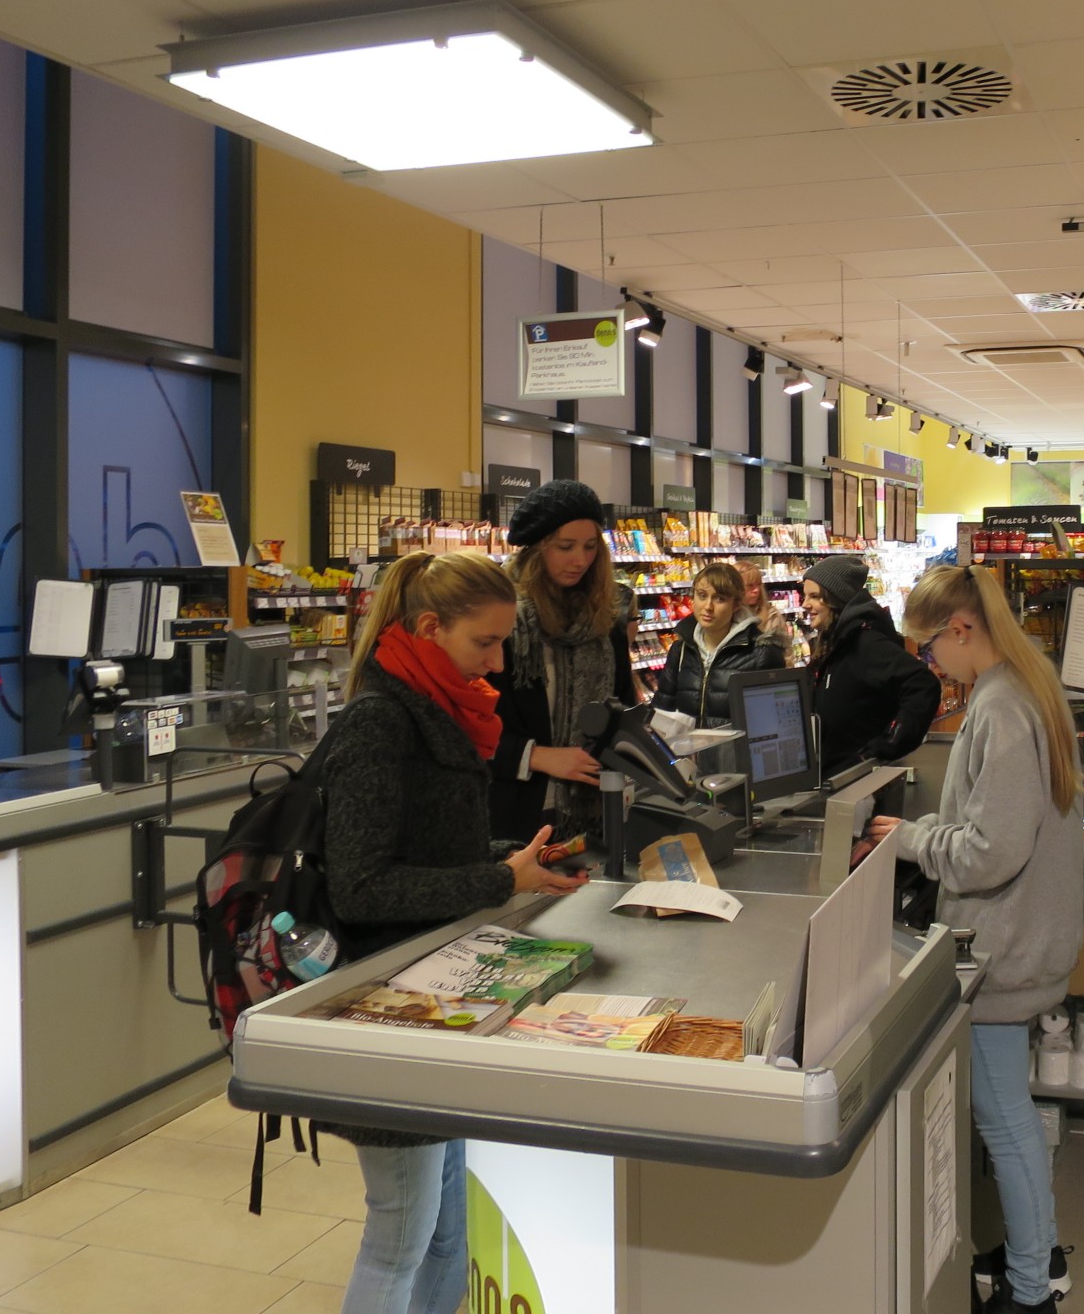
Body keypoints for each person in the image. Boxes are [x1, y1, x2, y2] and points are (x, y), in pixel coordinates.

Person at [322, 550, 588, 1314]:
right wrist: (500, 881)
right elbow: (361, 887)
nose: (499, 663)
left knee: (447, 1231)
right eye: (486, 642)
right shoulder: (380, 722)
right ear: (431, 627)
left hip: (440, 999)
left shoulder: (441, 710)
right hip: (386, 1007)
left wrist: (516, 862)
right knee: (400, 1233)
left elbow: (432, 853)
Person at [865, 564, 1084, 1314]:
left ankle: (1030, 1291)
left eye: (929, 649)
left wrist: (909, 839)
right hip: (1021, 940)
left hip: (999, 950)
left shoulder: (1001, 708)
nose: (930, 665)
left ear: (960, 629)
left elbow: (991, 852)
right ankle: (1038, 1253)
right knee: (1010, 1112)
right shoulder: (1027, 684)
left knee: (1004, 1120)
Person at [489, 480, 637, 843]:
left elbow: (623, 708)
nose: (581, 560)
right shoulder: (501, 622)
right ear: (536, 548)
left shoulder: (606, 621)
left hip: (596, 814)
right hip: (514, 816)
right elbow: (466, 729)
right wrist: (536, 755)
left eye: (590, 547)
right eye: (565, 547)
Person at [802, 555, 941, 776]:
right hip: (838, 780)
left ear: (836, 598)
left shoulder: (865, 643)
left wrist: (889, 744)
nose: (805, 604)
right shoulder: (835, 642)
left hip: (859, 782)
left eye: (814, 596)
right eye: (805, 595)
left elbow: (923, 684)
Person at [653, 560, 783, 725]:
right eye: (702, 595)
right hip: (686, 743)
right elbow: (662, 710)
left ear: (736, 604)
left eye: (719, 599)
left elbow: (772, 722)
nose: (708, 606)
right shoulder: (681, 650)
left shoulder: (761, 653)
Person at [737, 559, 796, 665]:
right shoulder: (726, 618)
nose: (756, 590)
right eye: (750, 585)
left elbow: (787, 655)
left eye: (758, 584)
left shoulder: (772, 616)